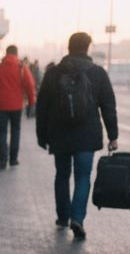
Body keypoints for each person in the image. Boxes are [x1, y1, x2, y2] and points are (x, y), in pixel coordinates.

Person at [35, 32, 118, 241]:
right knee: (83, 177)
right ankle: (77, 218)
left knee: (62, 175)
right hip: (86, 135)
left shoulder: (53, 73)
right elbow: (108, 106)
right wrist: (113, 135)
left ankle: (62, 217)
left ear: (68, 47)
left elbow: (42, 106)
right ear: (88, 48)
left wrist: (41, 135)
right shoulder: (98, 73)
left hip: (59, 134)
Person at [0, 45, 37, 169]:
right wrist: (31, 103)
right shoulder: (21, 68)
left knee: (2, 133)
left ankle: (3, 161)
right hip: (17, 106)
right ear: (16, 54)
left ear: (6, 54)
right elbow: (30, 86)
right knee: (15, 132)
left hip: (1, 105)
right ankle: (13, 159)